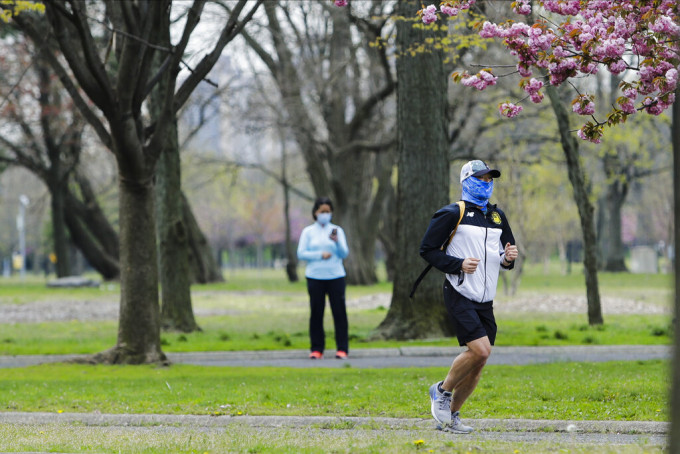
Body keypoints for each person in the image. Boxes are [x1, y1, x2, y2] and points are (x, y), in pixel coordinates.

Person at [419, 160, 518, 433]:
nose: (486, 183)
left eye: (489, 178)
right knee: (480, 349)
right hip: (459, 291)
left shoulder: (497, 216)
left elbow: (503, 254)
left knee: (479, 362)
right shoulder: (453, 213)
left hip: (486, 298)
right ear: (466, 180)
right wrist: (458, 264)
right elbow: (427, 250)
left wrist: (508, 259)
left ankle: (450, 418)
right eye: (481, 178)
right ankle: (441, 390)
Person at [297, 197, 350, 360]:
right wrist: (320, 255)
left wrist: (337, 243)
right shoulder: (308, 232)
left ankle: (342, 349)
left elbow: (344, 253)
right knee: (316, 312)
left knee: (339, 312)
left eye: (328, 211)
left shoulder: (337, 231)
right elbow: (301, 253)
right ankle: (317, 348)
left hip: (335, 276)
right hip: (315, 276)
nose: (325, 214)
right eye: (322, 212)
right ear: (315, 213)